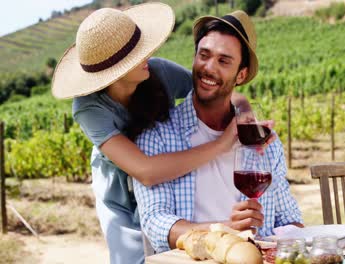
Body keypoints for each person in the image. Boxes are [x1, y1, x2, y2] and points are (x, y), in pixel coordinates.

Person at [51, 3, 257, 264]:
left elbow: (216, 91)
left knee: (175, 249)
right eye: (136, 54)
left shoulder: (158, 71)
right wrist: (221, 145)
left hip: (168, 169)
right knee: (132, 258)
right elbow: (145, 171)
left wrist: (245, 111)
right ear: (115, 72)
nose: (147, 54)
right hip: (119, 186)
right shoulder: (89, 108)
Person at [133, 10, 304, 254]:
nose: (209, 68)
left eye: (224, 61)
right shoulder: (157, 135)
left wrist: (294, 238)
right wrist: (223, 230)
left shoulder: (264, 143)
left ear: (241, 75)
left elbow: (289, 220)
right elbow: (157, 223)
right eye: (204, 55)